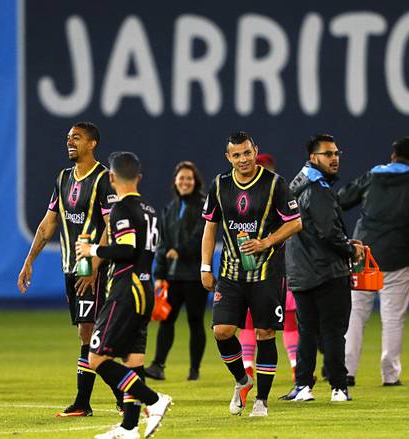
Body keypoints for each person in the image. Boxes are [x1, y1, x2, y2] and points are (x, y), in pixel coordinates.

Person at [17, 121, 123, 416]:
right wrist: (29, 262)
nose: (70, 142)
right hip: (71, 269)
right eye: (68, 138)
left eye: (76, 138)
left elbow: (111, 225)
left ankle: (86, 402)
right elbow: (48, 223)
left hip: (95, 270)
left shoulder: (104, 179)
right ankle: (122, 394)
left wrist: (96, 263)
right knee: (87, 334)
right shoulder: (63, 178)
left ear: (92, 144)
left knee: (89, 333)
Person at [201, 132, 302, 417]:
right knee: (222, 331)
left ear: (255, 150)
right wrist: (205, 267)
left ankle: (262, 401)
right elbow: (210, 226)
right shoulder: (219, 185)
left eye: (247, 153)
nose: (243, 159)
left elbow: (295, 224)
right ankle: (242, 381)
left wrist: (266, 242)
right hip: (231, 272)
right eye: (237, 155)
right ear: (228, 157)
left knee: (264, 332)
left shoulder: (275, 184)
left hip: (267, 271)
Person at [76, 151, 172, 438]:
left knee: (97, 359)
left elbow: (127, 249)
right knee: (133, 362)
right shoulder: (150, 210)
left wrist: (92, 250)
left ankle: (154, 400)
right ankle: (129, 427)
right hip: (145, 287)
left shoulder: (121, 209)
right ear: (139, 177)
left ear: (111, 177)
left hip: (126, 290)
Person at [339, 137, 409, 386]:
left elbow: (341, 200)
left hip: (363, 254)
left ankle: (347, 371)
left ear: (392, 157)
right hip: (398, 256)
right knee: (393, 317)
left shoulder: (372, 177)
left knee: (355, 314)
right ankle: (390, 375)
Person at [282, 134, 364, 402]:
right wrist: (351, 249)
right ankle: (339, 388)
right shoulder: (318, 189)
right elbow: (328, 232)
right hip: (327, 271)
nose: (334, 159)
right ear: (313, 158)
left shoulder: (296, 185)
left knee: (307, 331)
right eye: (328, 154)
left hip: (300, 271)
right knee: (333, 331)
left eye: (337, 153)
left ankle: (303, 386)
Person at [144, 161, 209, 382]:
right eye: (181, 178)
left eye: (189, 178)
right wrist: (159, 276)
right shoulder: (169, 209)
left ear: (195, 181)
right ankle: (157, 366)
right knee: (166, 320)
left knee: (195, 321)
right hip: (172, 276)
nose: (185, 182)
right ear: (175, 182)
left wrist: (179, 251)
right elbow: (161, 243)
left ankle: (194, 370)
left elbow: (202, 236)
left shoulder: (203, 205)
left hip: (194, 276)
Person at [239, 153, 300, 380]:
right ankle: (248, 365)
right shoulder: (251, 195)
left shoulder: (280, 192)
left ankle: (294, 365)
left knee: (281, 321)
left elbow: (295, 225)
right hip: (257, 264)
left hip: (279, 265)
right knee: (253, 321)